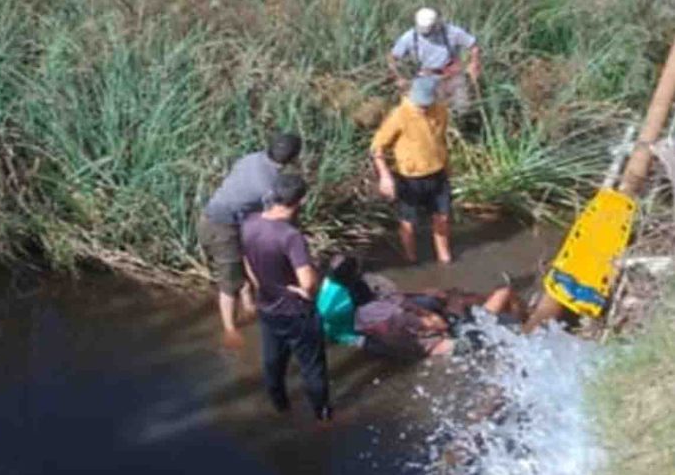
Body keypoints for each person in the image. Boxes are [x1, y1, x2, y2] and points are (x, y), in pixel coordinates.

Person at [241, 174, 332, 421]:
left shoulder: (249, 222)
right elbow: (308, 282)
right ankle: (322, 418)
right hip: (296, 312)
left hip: (267, 307)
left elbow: (247, 261)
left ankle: (280, 408)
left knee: (273, 362)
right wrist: (306, 292)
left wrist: (263, 286)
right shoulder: (291, 237)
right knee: (312, 368)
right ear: (300, 201)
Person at [198, 133, 302, 348]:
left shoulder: (251, 158)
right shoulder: (269, 186)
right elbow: (272, 220)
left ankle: (249, 307)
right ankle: (230, 329)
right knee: (230, 282)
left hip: (225, 219)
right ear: (293, 158)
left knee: (244, 264)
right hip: (220, 225)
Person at [316, 255, 525, 358]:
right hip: (438, 344)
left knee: (449, 298)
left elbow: (393, 301)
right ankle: (525, 324)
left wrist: (417, 297)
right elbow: (439, 325)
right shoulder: (391, 313)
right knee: (499, 294)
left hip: (384, 337)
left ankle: (511, 315)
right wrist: (427, 311)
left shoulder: (333, 287)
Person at [371, 75, 453, 263]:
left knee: (443, 217)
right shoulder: (399, 115)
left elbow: (441, 141)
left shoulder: (440, 110)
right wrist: (385, 176)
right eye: (420, 104)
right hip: (410, 178)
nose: (423, 108)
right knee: (408, 223)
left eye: (427, 104)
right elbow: (377, 147)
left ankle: (445, 257)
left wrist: (448, 166)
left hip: (437, 173)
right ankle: (411, 258)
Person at [388, 7, 481, 113]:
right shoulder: (409, 38)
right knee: (432, 111)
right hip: (427, 77)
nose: (426, 33)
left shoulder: (451, 32)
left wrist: (474, 63)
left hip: (452, 74)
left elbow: (474, 47)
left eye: (429, 30)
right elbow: (392, 58)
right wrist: (398, 78)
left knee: (463, 108)